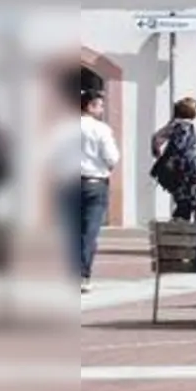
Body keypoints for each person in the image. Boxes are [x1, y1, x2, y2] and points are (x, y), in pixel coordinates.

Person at [77, 89, 120, 293]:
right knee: (89, 231)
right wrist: (108, 166)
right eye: (100, 105)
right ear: (90, 106)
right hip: (95, 182)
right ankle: (82, 275)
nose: (102, 109)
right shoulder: (101, 129)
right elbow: (112, 157)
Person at [150, 98, 196, 220]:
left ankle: (178, 224)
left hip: (177, 171)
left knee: (182, 202)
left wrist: (160, 156)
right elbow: (184, 150)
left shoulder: (174, 124)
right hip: (184, 172)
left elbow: (156, 139)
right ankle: (179, 228)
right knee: (186, 202)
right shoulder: (184, 126)